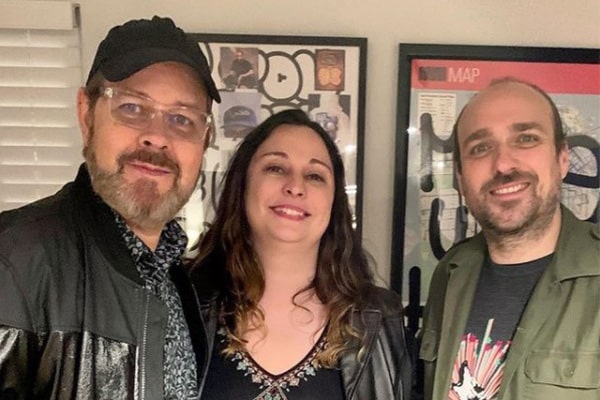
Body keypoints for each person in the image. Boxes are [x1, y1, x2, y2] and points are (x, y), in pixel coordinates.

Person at [0, 16, 221, 399]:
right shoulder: (13, 262)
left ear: (204, 141)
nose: (157, 137)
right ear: (86, 115)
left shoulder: (177, 278)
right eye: (132, 107)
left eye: (182, 119)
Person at [187, 109, 413, 399]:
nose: (295, 187)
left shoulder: (380, 318)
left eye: (315, 176)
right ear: (243, 184)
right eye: (276, 168)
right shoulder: (185, 301)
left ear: (334, 202)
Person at [420, 77, 599, 400]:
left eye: (526, 139)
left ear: (562, 158)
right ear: (461, 177)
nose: (503, 164)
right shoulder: (450, 272)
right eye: (480, 148)